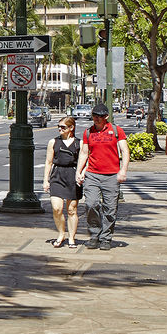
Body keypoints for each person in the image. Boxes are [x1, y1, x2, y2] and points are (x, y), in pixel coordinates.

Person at [76, 101, 128, 250]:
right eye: (94, 116)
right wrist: (78, 172)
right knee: (91, 204)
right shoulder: (88, 132)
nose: (96, 119)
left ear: (106, 116)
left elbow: (125, 151)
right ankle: (94, 234)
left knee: (110, 209)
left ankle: (106, 238)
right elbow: (84, 153)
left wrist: (123, 171)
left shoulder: (117, 131)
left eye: (99, 116)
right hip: (92, 174)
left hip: (111, 175)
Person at [43, 115, 83, 248]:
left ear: (71, 128)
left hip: (72, 175)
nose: (60, 129)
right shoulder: (53, 142)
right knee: (57, 208)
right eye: (58, 127)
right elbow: (48, 162)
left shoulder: (79, 143)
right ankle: (61, 234)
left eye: (63, 127)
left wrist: (81, 174)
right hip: (57, 175)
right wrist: (46, 180)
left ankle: (71, 237)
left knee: (72, 209)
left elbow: (85, 160)